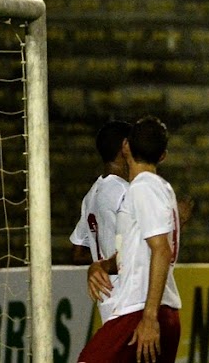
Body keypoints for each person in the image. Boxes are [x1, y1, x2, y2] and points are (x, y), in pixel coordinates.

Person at [78, 116, 182, 363]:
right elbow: (135, 253)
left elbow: (161, 250)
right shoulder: (158, 189)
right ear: (163, 155)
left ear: (126, 147)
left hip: (140, 312)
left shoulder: (144, 187)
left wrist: (149, 317)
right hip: (156, 312)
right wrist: (102, 266)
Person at [69, 120, 131, 323]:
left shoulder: (92, 194)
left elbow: (77, 252)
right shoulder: (124, 192)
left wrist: (100, 262)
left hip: (106, 301)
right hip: (128, 299)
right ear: (125, 147)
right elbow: (139, 247)